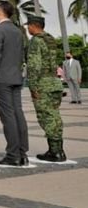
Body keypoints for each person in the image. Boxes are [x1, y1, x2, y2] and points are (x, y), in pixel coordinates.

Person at [0, 0, 30, 166]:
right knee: (18, 113)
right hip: (16, 77)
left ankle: (13, 154)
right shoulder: (17, 31)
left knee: (8, 116)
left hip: (2, 78)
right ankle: (22, 152)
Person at [26, 16, 67, 162]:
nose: (28, 29)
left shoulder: (36, 41)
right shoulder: (50, 39)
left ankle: (55, 152)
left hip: (43, 84)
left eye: (28, 26)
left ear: (34, 25)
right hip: (54, 83)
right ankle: (58, 150)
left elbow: (34, 65)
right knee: (54, 116)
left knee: (47, 117)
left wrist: (32, 86)